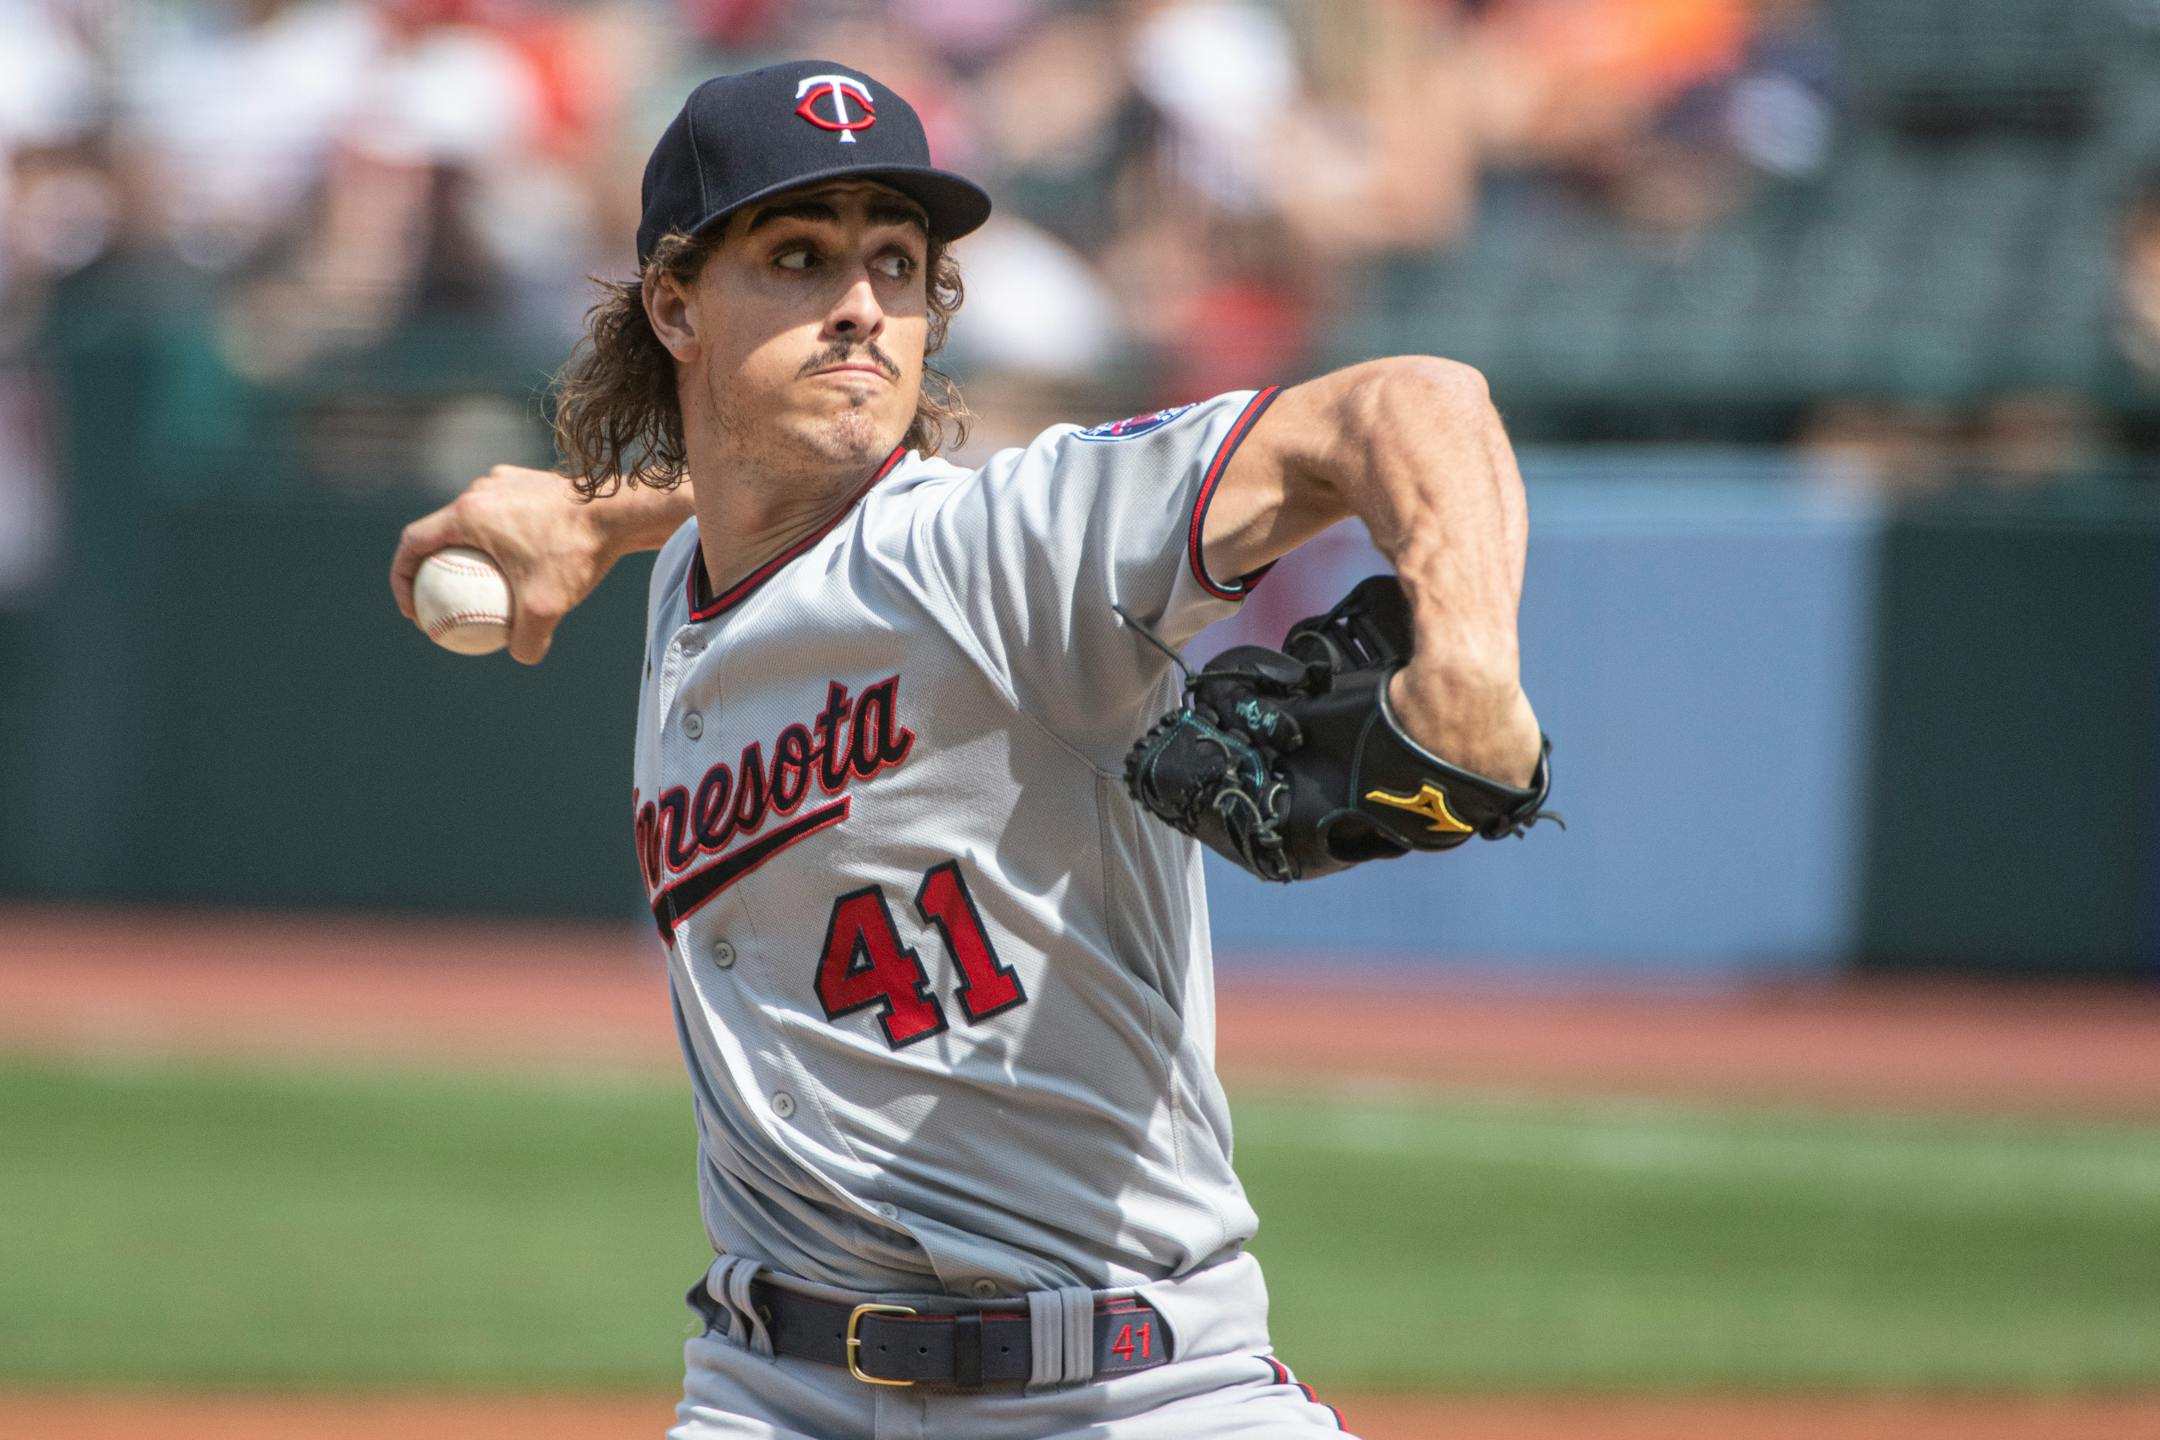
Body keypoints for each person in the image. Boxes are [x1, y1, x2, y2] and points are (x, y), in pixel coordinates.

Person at [390, 59, 1541, 1440]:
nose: (862, 303)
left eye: (897, 261)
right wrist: (600, 516)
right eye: (800, 256)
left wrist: (1471, 659)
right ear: (676, 305)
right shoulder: (686, 573)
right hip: (768, 1386)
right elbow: (766, 503)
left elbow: (1413, 401)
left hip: (1131, 1387)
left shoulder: (1007, 542)